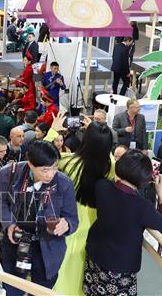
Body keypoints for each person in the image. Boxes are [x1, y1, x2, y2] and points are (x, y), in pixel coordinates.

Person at [83, 150, 162, 296]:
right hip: (118, 266)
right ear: (144, 180)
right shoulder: (141, 206)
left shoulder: (102, 186)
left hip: (95, 253)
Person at [0, 141, 79, 294]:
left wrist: (66, 225)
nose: (51, 174)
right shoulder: (9, 173)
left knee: (42, 290)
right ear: (30, 164)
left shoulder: (64, 183)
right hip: (17, 241)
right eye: (45, 170)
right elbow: (1, 202)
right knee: (12, 287)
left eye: (55, 167)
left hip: (47, 247)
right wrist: (9, 225)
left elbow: (72, 218)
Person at [54, 121, 115, 295]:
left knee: (63, 270)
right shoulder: (110, 166)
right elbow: (109, 156)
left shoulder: (67, 162)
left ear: (85, 140)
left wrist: (53, 131)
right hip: (95, 228)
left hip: (68, 223)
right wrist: (102, 133)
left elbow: (41, 156)